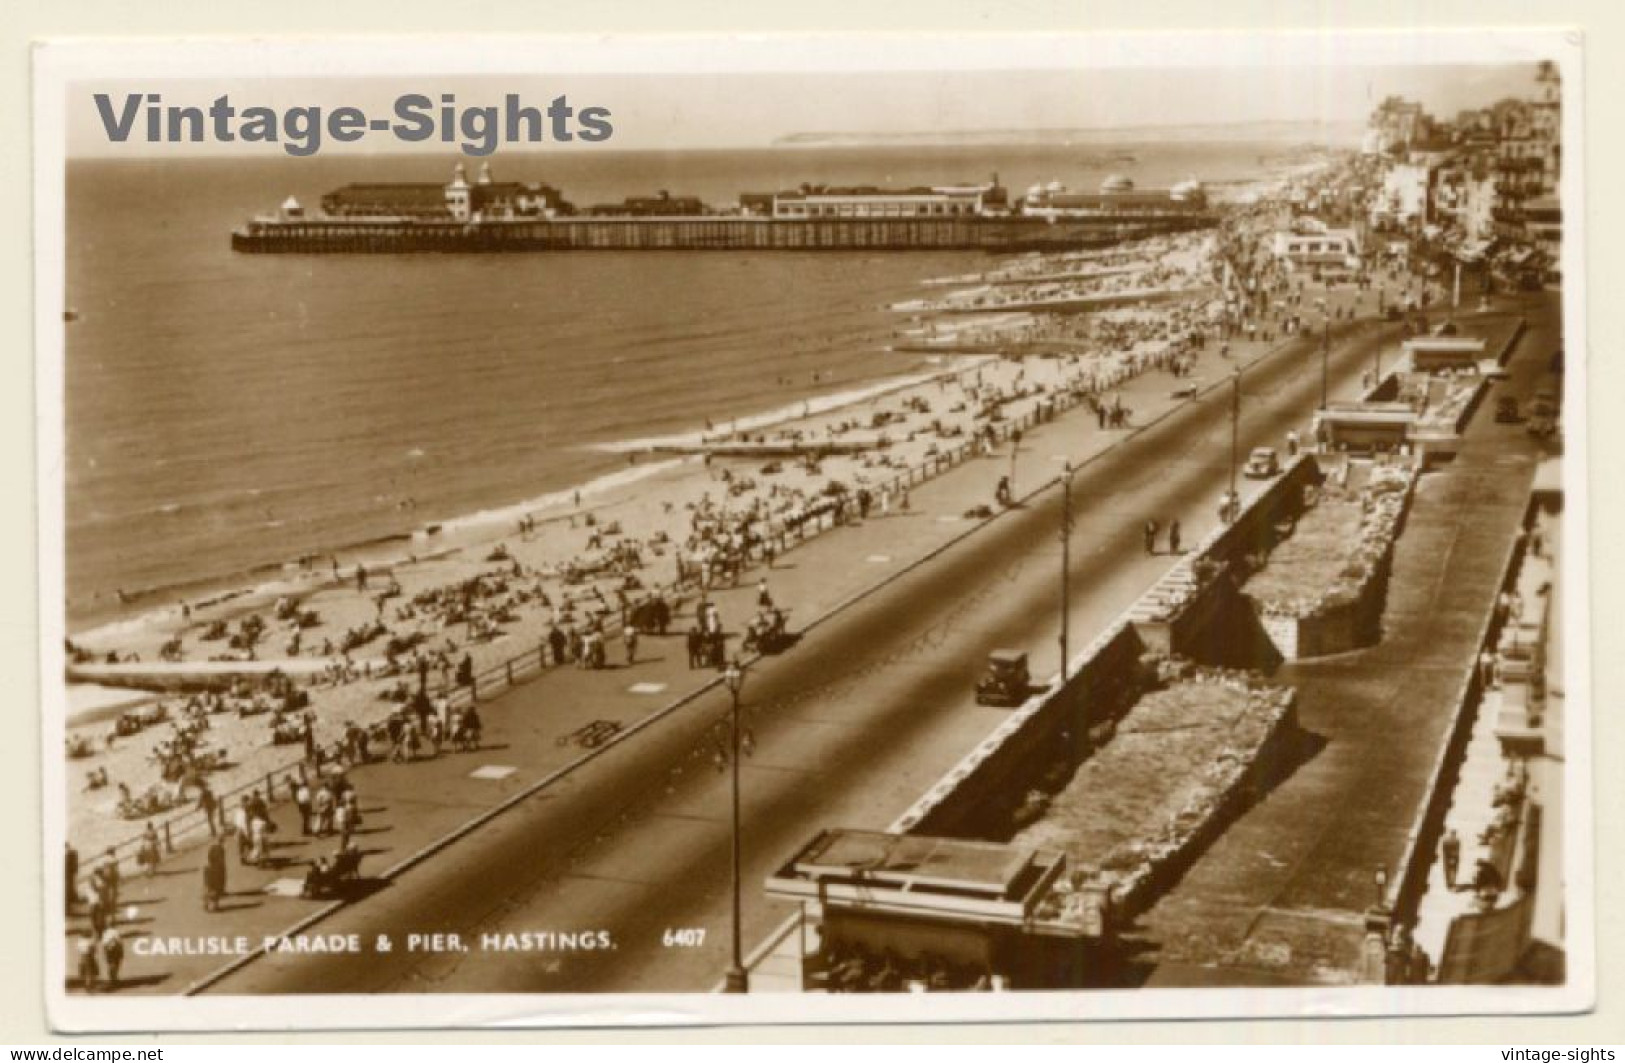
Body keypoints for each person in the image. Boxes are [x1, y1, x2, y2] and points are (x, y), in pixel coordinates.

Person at [203, 838, 227, 912]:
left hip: (211, 871)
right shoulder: (219, 849)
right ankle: (212, 904)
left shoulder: (213, 849)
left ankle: (208, 904)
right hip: (216, 871)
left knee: (210, 888)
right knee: (214, 889)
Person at [100, 924, 124, 990]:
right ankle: (114, 978)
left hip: (108, 950)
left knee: (110, 964)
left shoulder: (105, 933)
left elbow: (103, 944)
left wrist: (105, 951)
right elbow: (119, 942)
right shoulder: (116, 932)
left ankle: (112, 978)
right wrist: (121, 951)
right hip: (115, 950)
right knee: (116, 964)